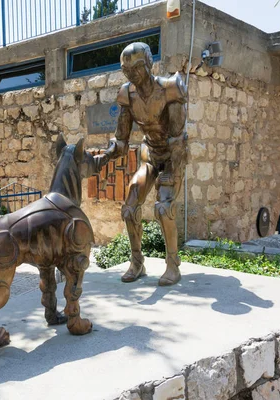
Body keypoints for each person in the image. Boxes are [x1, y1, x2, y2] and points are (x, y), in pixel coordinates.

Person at [98, 42, 188, 286]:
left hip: (172, 155)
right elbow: (121, 140)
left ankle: (172, 264)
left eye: (136, 68)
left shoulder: (170, 89)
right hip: (150, 154)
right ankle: (137, 261)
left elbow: (178, 139)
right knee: (129, 207)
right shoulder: (127, 93)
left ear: (148, 64)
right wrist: (103, 158)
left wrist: (171, 170)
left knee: (163, 207)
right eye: (126, 71)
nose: (131, 74)